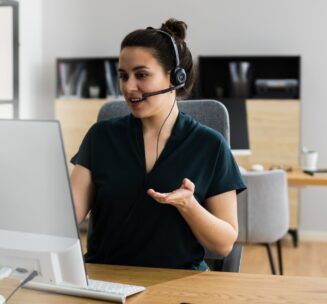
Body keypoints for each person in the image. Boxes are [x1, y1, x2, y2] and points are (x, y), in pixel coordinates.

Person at [70, 18, 246, 270]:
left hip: (177, 282)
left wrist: (188, 204)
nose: (129, 87)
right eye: (123, 76)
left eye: (141, 75)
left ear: (175, 77)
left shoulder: (210, 146)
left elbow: (223, 245)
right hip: (105, 280)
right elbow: (66, 218)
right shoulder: (101, 137)